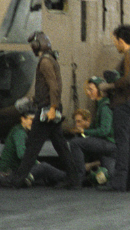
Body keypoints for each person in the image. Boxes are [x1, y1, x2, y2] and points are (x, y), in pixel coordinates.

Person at [5, 31, 80, 189]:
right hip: (48, 107)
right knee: (61, 146)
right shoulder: (50, 59)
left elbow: (54, 86)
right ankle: (74, 179)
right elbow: (50, 87)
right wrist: (35, 100)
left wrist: (52, 108)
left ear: (37, 45)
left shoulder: (45, 62)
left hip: (47, 110)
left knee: (32, 146)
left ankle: (17, 180)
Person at [106, 24, 130, 192]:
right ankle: (129, 182)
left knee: (122, 143)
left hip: (123, 102)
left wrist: (110, 86)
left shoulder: (128, 57)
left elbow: (128, 79)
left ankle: (119, 182)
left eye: (115, 41)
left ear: (121, 40)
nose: (114, 44)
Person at [68, 76, 117, 187]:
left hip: (108, 144)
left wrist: (84, 131)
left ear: (100, 91)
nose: (88, 92)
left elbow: (104, 131)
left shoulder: (105, 107)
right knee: (108, 175)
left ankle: (79, 178)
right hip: (110, 148)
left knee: (75, 143)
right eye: (88, 90)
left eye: (91, 89)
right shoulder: (101, 105)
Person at [0, 110, 67, 186]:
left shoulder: (19, 130)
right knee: (44, 167)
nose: (33, 123)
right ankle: (68, 177)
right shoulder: (19, 133)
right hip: (11, 169)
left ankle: (60, 179)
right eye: (31, 120)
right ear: (23, 119)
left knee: (43, 172)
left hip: (12, 168)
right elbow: (22, 154)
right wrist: (36, 163)